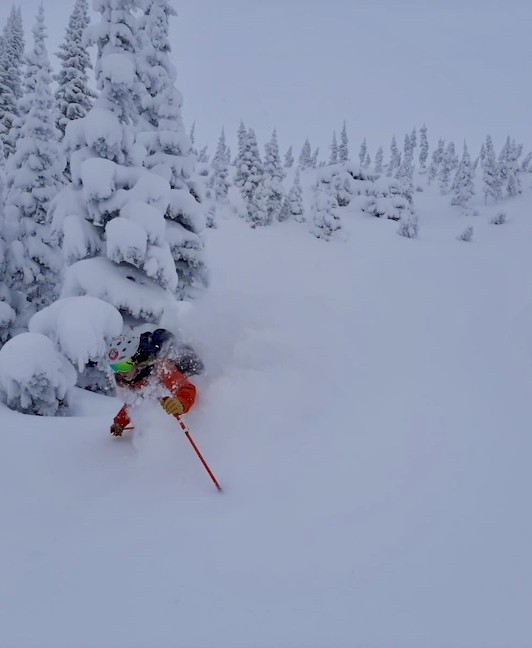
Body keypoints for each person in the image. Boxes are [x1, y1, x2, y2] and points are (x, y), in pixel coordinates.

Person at [106, 328, 198, 437]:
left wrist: (181, 403)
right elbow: (136, 401)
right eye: (115, 366)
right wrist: (119, 422)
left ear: (136, 359)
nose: (120, 372)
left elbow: (187, 388)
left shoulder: (161, 368)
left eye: (123, 365)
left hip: (187, 407)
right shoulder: (132, 377)